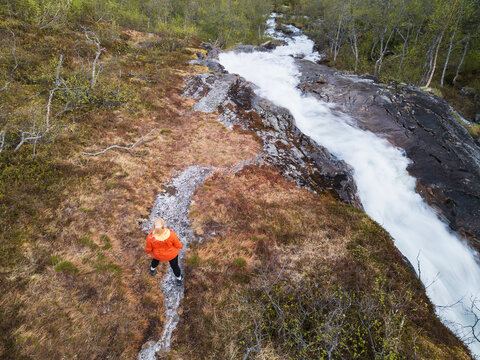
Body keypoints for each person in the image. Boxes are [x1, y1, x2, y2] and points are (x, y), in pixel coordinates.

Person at [145, 217, 184, 284]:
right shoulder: (171, 234)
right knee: (175, 266)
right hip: (171, 255)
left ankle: (152, 270)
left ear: (154, 226)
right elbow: (177, 244)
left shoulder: (150, 237)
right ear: (163, 226)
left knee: (155, 261)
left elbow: (148, 248)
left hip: (158, 255)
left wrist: (147, 252)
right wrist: (181, 246)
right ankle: (179, 279)